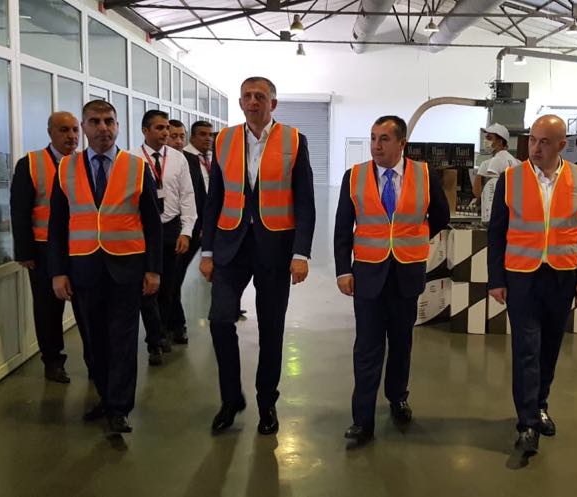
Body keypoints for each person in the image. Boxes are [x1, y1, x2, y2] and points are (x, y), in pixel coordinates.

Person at [200, 76, 315, 436]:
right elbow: (214, 198)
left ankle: (267, 402)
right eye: (247, 96)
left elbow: (305, 201)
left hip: (275, 247)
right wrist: (207, 250)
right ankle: (231, 398)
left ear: (272, 104)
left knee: (271, 327)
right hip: (230, 245)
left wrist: (301, 253)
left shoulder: (294, 140)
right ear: (240, 102)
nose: (253, 102)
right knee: (220, 320)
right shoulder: (223, 140)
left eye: (260, 96)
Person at [48, 100, 163, 434]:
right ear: (84, 127)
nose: (103, 128)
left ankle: (119, 407)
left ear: (118, 126)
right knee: (93, 340)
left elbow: (152, 223)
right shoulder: (66, 168)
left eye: (109, 121)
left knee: (123, 339)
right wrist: (58, 272)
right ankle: (105, 395)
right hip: (83, 268)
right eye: (95, 122)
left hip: (127, 267)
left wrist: (154, 269)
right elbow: (57, 225)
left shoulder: (136, 167)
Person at [334, 115, 449, 445]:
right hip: (367, 275)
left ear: (402, 143)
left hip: (406, 274)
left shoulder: (424, 175)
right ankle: (362, 419)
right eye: (373, 138)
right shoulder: (354, 176)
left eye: (384, 139)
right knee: (367, 347)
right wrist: (343, 270)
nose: (376, 145)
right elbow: (343, 227)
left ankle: (398, 397)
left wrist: (413, 237)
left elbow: (440, 215)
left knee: (401, 343)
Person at [486, 115, 577, 455]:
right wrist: (496, 279)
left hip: (562, 277)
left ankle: (540, 405)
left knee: (549, 348)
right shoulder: (511, 178)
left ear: (562, 145)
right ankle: (527, 424)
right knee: (526, 349)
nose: (535, 147)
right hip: (522, 277)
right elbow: (496, 233)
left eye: (544, 142)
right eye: (532, 140)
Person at [10, 111, 83, 383]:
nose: (71, 136)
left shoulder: (85, 163)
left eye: (75, 130)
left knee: (86, 306)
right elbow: (19, 210)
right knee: (47, 308)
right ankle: (52, 361)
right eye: (64, 130)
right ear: (50, 132)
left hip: (80, 246)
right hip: (43, 250)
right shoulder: (30, 163)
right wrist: (25, 251)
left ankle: (95, 359)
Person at [132, 110, 197, 366]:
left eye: (167, 128)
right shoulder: (132, 159)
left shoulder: (178, 159)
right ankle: (154, 341)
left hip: (171, 229)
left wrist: (186, 232)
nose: (166, 133)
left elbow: (187, 196)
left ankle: (163, 331)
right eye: (159, 128)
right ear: (145, 130)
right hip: (142, 231)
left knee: (168, 288)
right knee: (147, 288)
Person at [175, 120, 213, 343]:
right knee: (175, 277)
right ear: (193, 137)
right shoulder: (186, 159)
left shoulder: (208, 158)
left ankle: (227, 308)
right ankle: (174, 324)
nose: (208, 138)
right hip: (187, 229)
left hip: (206, 227)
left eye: (210, 135)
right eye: (203, 134)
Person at [472, 123, 521, 222]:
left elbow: (480, 192)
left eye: (489, 138)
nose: (485, 141)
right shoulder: (517, 162)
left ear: (499, 142)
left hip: (496, 213)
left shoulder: (494, 161)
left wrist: (476, 203)